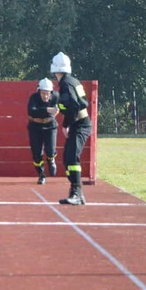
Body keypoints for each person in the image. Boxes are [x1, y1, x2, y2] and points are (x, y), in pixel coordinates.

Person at [51, 52, 92, 205]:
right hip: (79, 123)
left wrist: (66, 124)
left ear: (55, 69)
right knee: (67, 158)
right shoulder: (72, 81)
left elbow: (74, 105)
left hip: (80, 124)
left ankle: (76, 193)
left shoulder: (65, 84)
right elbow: (72, 104)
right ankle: (77, 193)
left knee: (72, 158)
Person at [27, 78, 59, 184]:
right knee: (36, 153)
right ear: (39, 91)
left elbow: (61, 109)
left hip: (50, 126)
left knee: (50, 149)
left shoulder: (56, 97)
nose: (45, 96)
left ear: (51, 92)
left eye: (47, 93)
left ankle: (51, 159)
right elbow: (32, 111)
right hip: (35, 127)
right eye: (43, 93)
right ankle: (41, 174)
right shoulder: (34, 98)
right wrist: (47, 110)